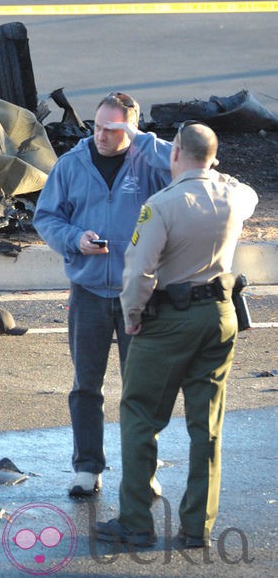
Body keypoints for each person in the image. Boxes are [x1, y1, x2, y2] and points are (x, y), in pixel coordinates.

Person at [95, 122, 258, 548]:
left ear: (174, 155)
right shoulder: (233, 196)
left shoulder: (162, 205)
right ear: (213, 159)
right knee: (207, 424)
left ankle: (135, 521)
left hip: (169, 320)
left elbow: (139, 270)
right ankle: (196, 527)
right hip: (220, 315)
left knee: (140, 415)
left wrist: (132, 315)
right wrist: (214, 170)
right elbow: (248, 191)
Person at [33, 92, 173, 496]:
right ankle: (87, 467)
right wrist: (77, 239)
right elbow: (47, 217)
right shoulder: (71, 164)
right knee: (86, 386)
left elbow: (191, 166)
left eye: (113, 129)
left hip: (139, 292)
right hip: (89, 291)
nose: (102, 136)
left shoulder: (149, 161)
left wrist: (142, 141)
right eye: (97, 127)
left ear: (131, 128)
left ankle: (142, 471)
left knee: (141, 388)